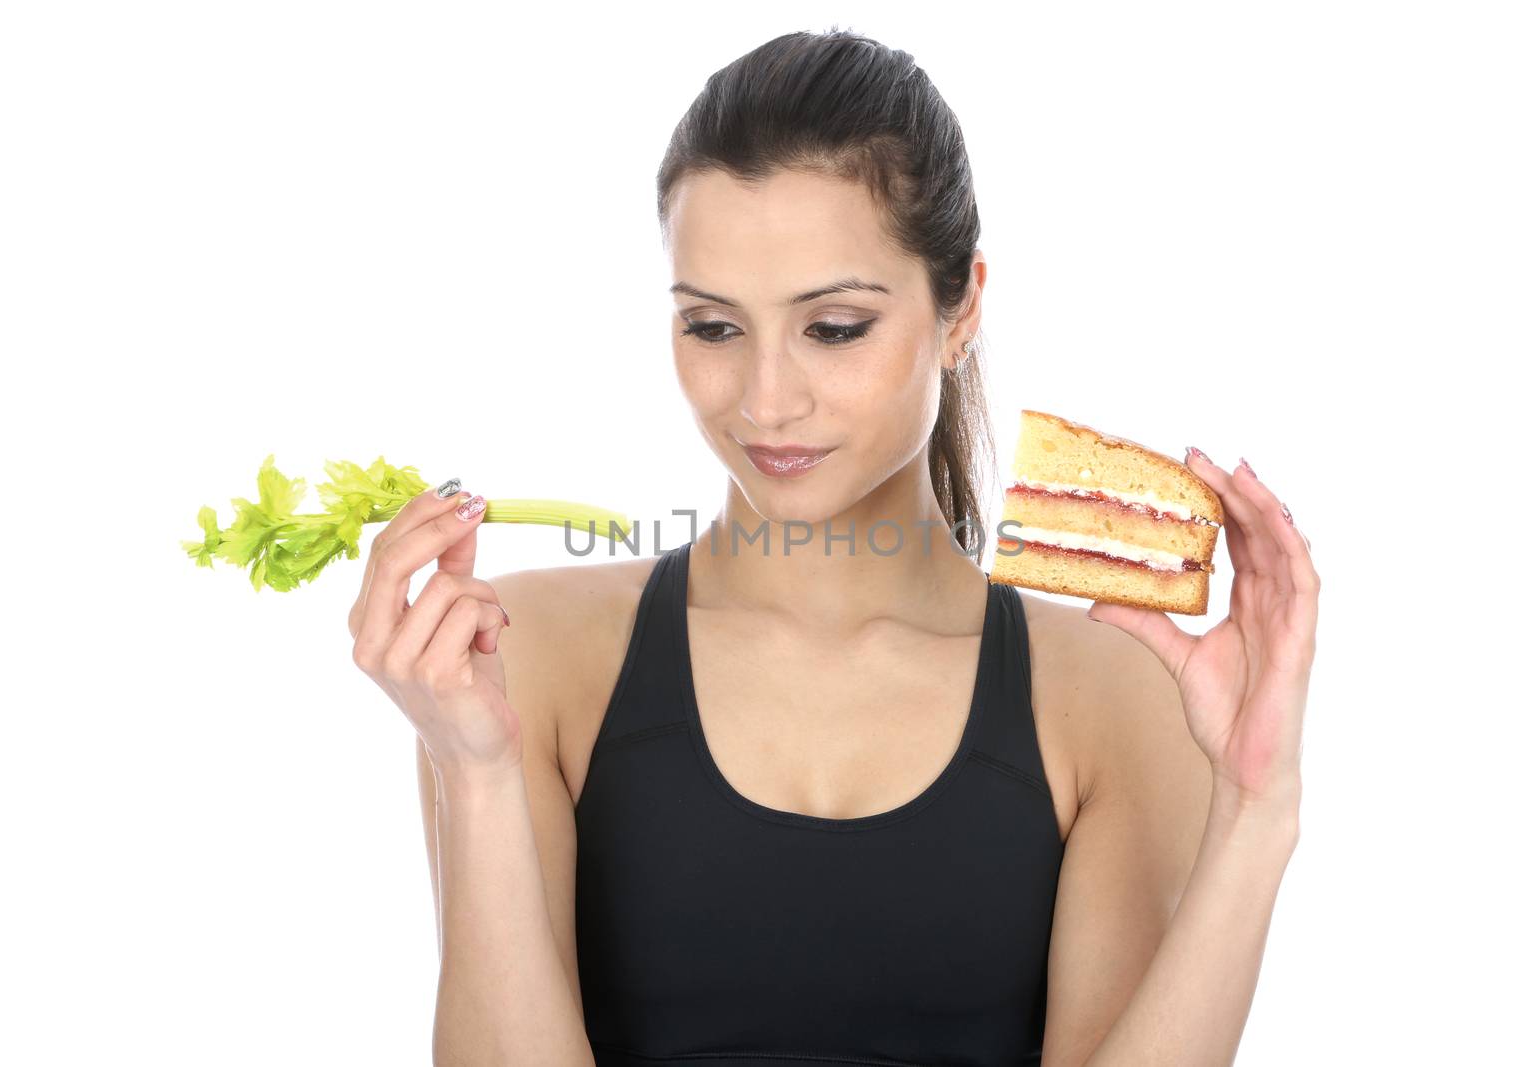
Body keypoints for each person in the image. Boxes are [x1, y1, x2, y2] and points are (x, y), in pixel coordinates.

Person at [347, 28, 1319, 1067]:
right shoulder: (518, 655)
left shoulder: (1111, 687)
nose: (765, 400)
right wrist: (478, 773)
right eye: (713, 327)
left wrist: (1257, 814)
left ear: (962, 308)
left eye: (836, 326)